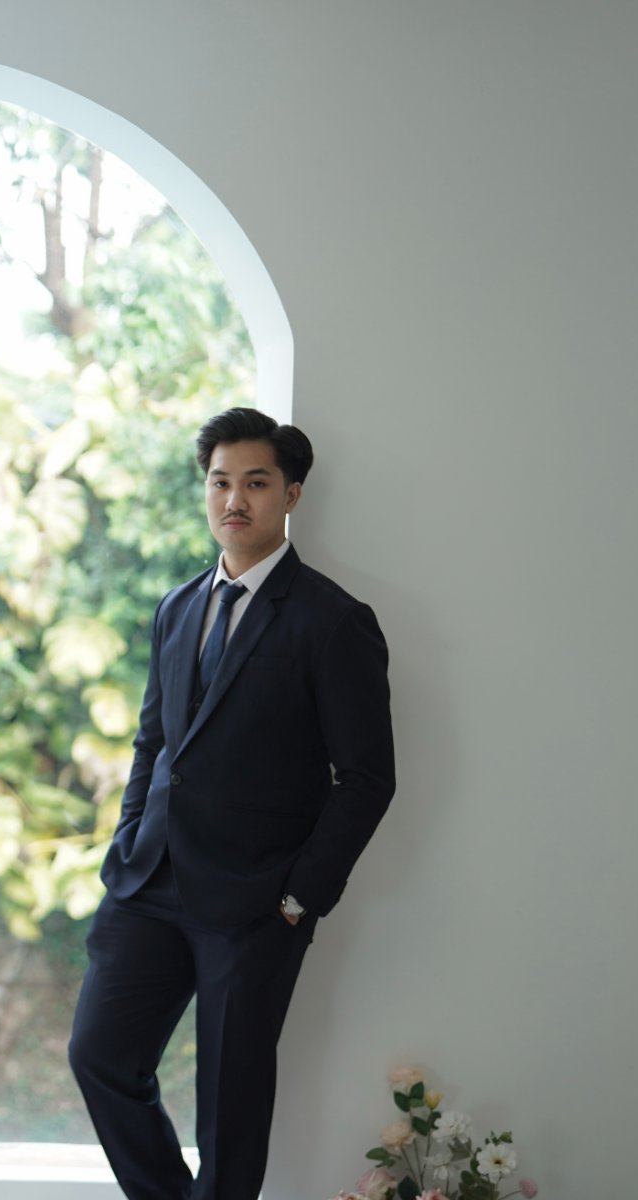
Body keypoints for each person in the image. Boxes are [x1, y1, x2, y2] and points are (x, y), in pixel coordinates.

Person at [68, 408, 395, 1200]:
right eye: (220, 483)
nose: (234, 500)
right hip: (150, 884)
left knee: (231, 1102)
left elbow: (367, 778)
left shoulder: (332, 621)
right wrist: (127, 841)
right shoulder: (177, 607)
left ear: (291, 495)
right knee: (100, 1056)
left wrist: (298, 899)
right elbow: (153, 743)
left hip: (255, 903)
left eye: (255, 483)